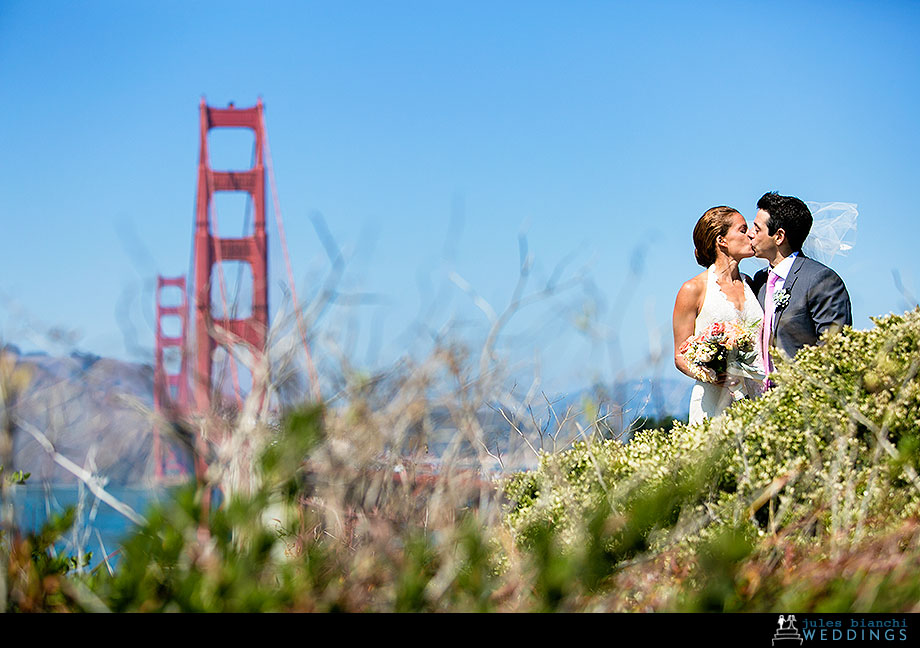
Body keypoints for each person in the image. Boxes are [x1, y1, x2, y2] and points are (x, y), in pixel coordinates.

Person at [673, 206, 765, 425]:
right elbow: (680, 356)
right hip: (714, 401)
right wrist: (715, 376)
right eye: (742, 230)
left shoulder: (752, 284)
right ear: (722, 240)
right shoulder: (692, 289)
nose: (751, 234)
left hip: (756, 397)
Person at [748, 192, 852, 381]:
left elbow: (833, 348)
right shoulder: (760, 280)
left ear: (779, 236)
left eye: (757, 228)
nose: (750, 234)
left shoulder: (822, 280)